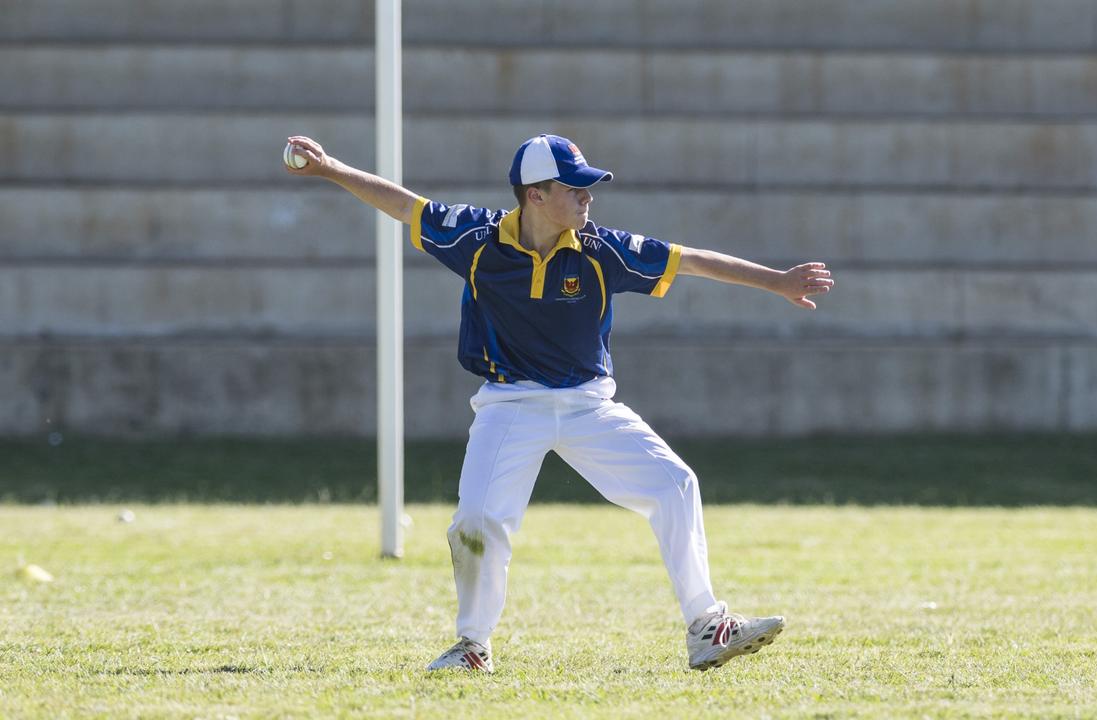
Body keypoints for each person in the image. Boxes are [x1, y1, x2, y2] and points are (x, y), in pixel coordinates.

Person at [284, 133, 835, 672]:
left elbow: (688, 260)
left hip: (587, 404)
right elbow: (404, 206)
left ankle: (708, 627)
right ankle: (472, 645)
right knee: (475, 520)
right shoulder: (477, 239)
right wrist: (329, 167)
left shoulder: (601, 250)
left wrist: (778, 281)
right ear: (535, 196)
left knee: (675, 485)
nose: (586, 197)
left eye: (588, 187)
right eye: (574, 188)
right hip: (509, 404)